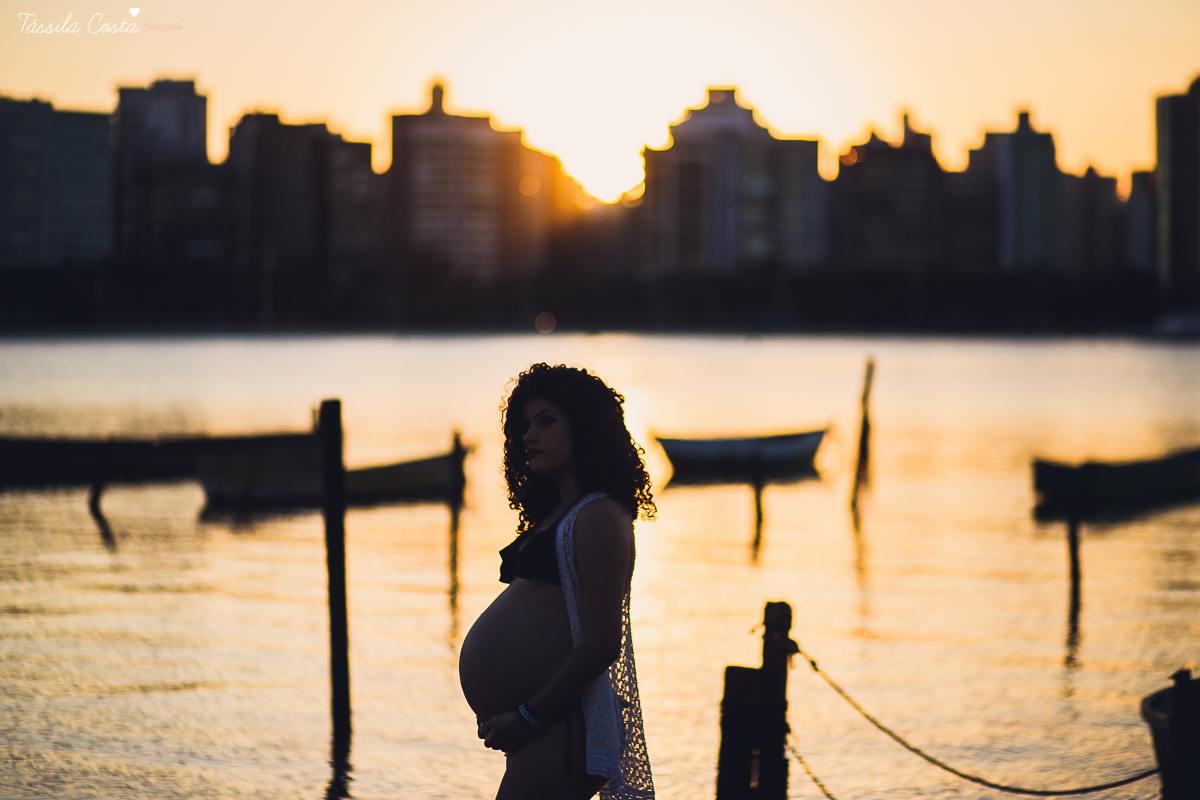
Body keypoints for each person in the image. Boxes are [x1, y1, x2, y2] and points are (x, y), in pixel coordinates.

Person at [459, 363, 656, 800]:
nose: (529, 435)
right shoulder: (561, 512)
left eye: (546, 421)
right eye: (525, 425)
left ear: (583, 426)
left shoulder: (600, 515)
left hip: (563, 729)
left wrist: (526, 717)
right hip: (542, 730)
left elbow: (602, 644)